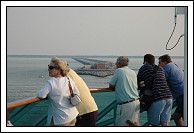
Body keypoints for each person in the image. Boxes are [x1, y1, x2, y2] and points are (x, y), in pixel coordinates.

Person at [36, 57, 80, 126]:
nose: (48, 69)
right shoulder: (69, 80)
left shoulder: (51, 82)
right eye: (48, 67)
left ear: (58, 69)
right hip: (72, 116)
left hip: (61, 119)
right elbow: (77, 93)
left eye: (51, 67)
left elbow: (41, 95)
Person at [137, 54, 173, 126]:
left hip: (157, 98)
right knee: (165, 123)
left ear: (145, 61)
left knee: (154, 124)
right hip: (169, 97)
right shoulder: (160, 68)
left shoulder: (144, 68)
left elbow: (137, 82)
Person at [109, 56, 140, 126]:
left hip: (126, 104)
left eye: (116, 63)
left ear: (119, 63)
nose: (115, 64)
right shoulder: (133, 72)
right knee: (134, 125)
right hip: (136, 102)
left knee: (121, 125)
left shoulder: (119, 71)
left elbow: (111, 85)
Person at [159, 54, 184, 126]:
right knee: (176, 117)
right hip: (184, 92)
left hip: (182, 95)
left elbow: (161, 81)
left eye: (160, 63)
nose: (159, 65)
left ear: (165, 62)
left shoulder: (167, 67)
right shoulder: (174, 65)